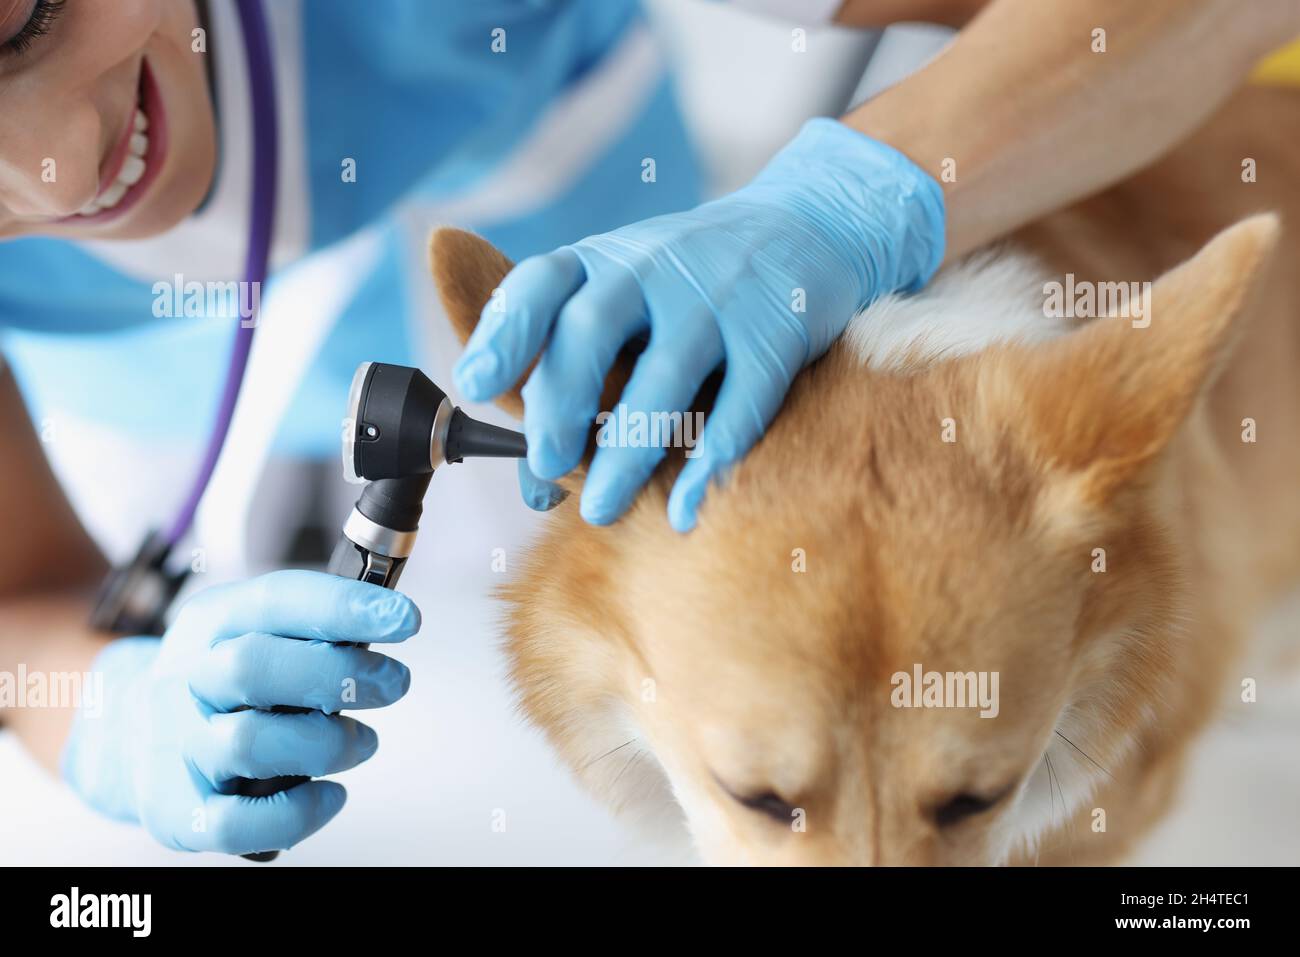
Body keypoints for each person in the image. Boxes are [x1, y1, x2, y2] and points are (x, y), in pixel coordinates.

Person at [1, 0, 1296, 857]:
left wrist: (865, 193)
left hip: (661, 325)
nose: (62, 167)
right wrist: (102, 706)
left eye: (28, 25)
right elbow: (21, 605)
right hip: (170, 455)